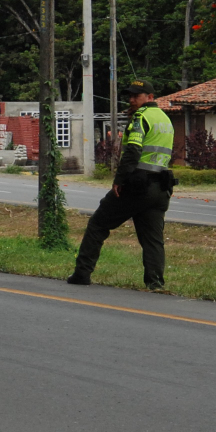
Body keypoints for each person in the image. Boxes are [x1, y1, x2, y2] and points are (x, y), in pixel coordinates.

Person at [68, 80, 176, 290]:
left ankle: (82, 274)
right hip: (161, 187)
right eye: (130, 96)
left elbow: (133, 152)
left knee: (98, 224)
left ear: (150, 97)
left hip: (138, 185)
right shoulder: (165, 119)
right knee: (153, 239)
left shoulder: (140, 118)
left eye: (137, 96)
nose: (132, 100)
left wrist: (119, 180)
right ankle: (155, 283)